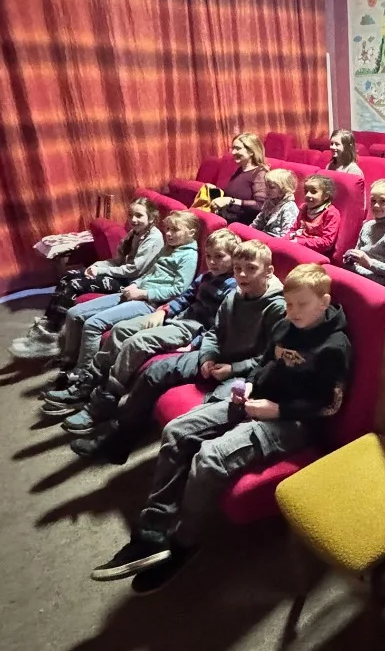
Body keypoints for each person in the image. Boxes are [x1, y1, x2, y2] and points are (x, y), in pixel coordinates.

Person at [89, 263, 352, 593]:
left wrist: (277, 410)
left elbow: (330, 404)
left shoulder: (335, 345)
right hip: (258, 399)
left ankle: (183, 543)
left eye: (302, 304)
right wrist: (251, 384)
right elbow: (266, 363)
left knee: (210, 458)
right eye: (288, 303)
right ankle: (153, 530)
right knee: (177, 431)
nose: (293, 311)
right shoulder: (285, 324)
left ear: (324, 302)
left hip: (295, 422)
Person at [68, 238, 287, 462]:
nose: (242, 275)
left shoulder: (277, 308)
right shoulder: (234, 296)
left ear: (268, 271)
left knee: (211, 406)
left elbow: (269, 359)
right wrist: (207, 356)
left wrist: (233, 369)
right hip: (217, 357)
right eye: (238, 268)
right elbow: (214, 332)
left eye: (251, 269)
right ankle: (119, 438)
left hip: (243, 373)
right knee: (155, 372)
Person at [59, 228, 240, 435]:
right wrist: (164, 311)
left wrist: (195, 343)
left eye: (219, 256)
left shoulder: (232, 288)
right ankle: (89, 382)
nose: (212, 261)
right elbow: (185, 297)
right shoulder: (206, 277)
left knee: (136, 343)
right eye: (208, 256)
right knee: (120, 330)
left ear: (234, 257)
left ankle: (102, 403)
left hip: (191, 329)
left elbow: (219, 326)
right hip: (176, 319)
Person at [41, 211, 200, 413]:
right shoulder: (169, 248)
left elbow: (179, 290)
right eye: (167, 229)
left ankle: (81, 377)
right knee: (75, 313)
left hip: (150, 302)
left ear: (191, 232)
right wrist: (135, 284)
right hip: (135, 292)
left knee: (93, 325)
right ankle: (69, 364)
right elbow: (150, 273)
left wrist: (143, 293)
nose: (168, 233)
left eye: (175, 230)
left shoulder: (189, 255)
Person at [9, 197, 163, 361]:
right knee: (68, 276)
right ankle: (47, 325)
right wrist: (96, 266)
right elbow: (117, 261)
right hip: (119, 274)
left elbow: (134, 270)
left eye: (139, 215)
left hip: (131, 282)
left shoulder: (154, 238)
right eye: (131, 214)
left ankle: (50, 338)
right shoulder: (134, 234)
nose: (133, 219)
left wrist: (102, 270)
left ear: (151, 218)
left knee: (75, 285)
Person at [343, 179, 385, 288]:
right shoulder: (367, 225)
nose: (376, 205)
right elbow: (358, 251)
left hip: (375, 283)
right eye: (373, 201)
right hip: (355, 273)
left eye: (383, 201)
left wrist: (369, 263)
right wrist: (351, 257)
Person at [211, 132, 268, 224]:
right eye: (233, 148)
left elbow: (261, 205)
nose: (233, 152)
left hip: (241, 224)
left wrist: (232, 201)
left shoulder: (260, 173)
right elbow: (235, 193)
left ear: (251, 151)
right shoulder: (240, 170)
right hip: (227, 217)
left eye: (238, 148)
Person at [286, 175, 341, 256]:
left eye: (313, 192)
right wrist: (285, 239)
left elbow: (327, 242)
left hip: (313, 253)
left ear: (326, 196)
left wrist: (299, 242)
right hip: (295, 245)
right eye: (306, 191)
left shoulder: (331, 213)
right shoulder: (304, 208)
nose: (308, 195)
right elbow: (293, 229)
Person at [251, 168, 300, 237]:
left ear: (283, 189)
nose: (267, 190)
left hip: (275, 239)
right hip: (262, 237)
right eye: (266, 186)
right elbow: (258, 222)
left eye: (271, 187)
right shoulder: (269, 201)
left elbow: (286, 234)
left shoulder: (290, 207)